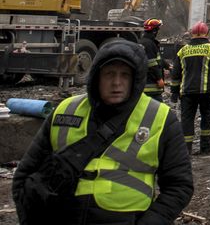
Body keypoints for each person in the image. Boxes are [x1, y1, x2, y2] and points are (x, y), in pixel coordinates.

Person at [12, 39, 193, 224]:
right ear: (96, 77)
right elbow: (25, 173)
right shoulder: (66, 110)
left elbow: (180, 185)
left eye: (125, 75)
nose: (117, 83)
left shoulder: (160, 118)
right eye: (109, 74)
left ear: (135, 79)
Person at [170, 22, 210, 156]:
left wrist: (174, 92)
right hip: (206, 91)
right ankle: (206, 147)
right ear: (207, 34)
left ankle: (186, 149)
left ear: (191, 34)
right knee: (207, 117)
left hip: (187, 92)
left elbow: (176, 75)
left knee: (187, 120)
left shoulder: (183, 50)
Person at [141, 18, 167, 100]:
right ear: (154, 31)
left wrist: (168, 66)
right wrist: (159, 79)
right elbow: (152, 63)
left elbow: (157, 59)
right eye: (158, 29)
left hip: (146, 84)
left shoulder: (145, 42)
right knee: (157, 110)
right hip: (151, 88)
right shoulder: (149, 44)